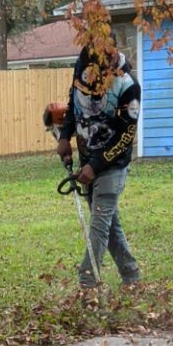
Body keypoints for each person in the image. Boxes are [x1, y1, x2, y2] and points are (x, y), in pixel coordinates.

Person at [56, 41, 142, 291]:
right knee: (108, 224)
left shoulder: (128, 85)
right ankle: (132, 275)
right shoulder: (82, 65)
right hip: (87, 160)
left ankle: (87, 284)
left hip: (112, 164)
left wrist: (95, 166)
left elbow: (126, 135)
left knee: (99, 226)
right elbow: (73, 104)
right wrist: (65, 136)